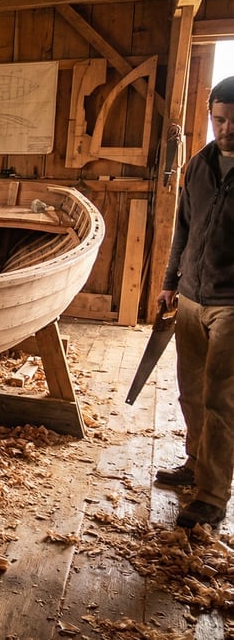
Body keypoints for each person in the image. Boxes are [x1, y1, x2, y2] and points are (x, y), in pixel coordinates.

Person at [155, 75, 234, 529]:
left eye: (233, 122)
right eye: (219, 120)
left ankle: (212, 493)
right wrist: (170, 281)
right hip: (190, 295)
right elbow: (182, 227)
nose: (225, 129)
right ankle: (194, 464)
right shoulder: (200, 164)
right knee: (191, 391)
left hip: (231, 302)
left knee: (222, 397)